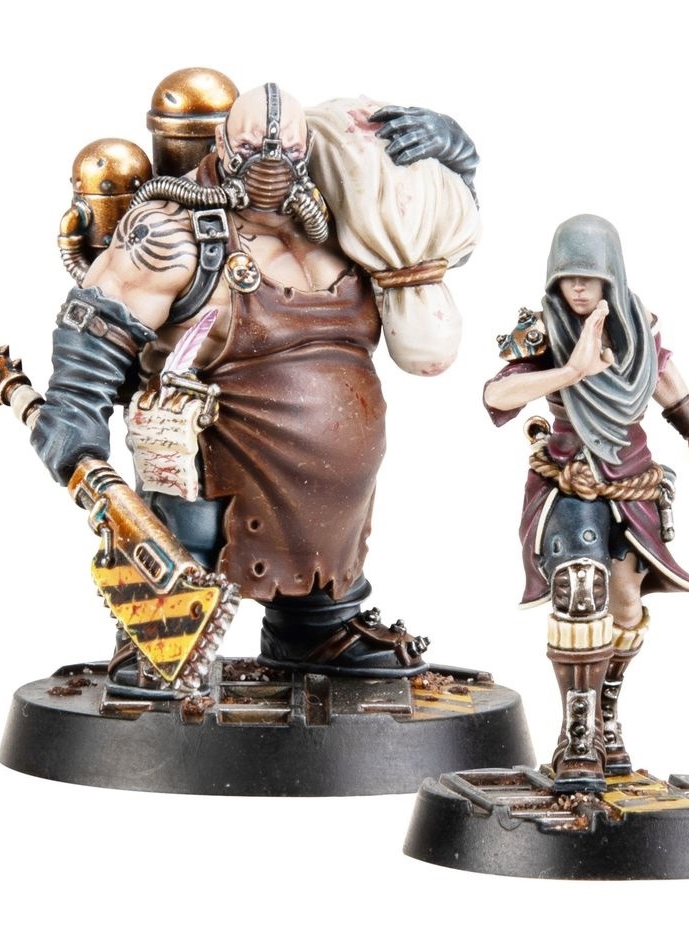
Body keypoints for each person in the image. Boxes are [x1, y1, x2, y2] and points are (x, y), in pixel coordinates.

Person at [30, 82, 479, 688]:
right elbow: (100, 321)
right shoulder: (175, 233)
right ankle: (153, 638)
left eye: (288, 148)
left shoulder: (349, 214)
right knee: (190, 536)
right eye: (250, 145)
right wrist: (74, 413)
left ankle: (316, 627)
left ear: (308, 147)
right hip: (212, 448)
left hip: (338, 487)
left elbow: (438, 244)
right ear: (221, 142)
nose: (270, 161)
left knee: (325, 550)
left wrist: (457, 155)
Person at [484, 214, 689, 792]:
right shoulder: (542, 329)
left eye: (590, 277)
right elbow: (497, 394)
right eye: (568, 276)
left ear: (611, 277)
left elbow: (662, 374)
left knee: (624, 606)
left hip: (631, 479)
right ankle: (577, 736)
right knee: (579, 589)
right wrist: (568, 371)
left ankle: (605, 715)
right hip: (571, 481)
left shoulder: (636, 327)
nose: (578, 288)